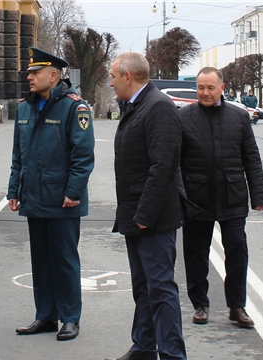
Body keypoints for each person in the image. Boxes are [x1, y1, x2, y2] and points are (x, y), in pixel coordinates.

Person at [7, 47, 95, 342]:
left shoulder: (74, 107)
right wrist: (13, 190)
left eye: (35, 72)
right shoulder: (23, 107)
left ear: (54, 76)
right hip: (34, 195)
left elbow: (83, 156)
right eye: (29, 73)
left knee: (64, 260)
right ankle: (45, 315)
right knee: (41, 260)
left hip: (62, 198)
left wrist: (73, 192)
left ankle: (70, 318)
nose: (29, 77)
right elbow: (18, 155)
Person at [103, 52, 186, 360]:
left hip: (152, 218)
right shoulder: (137, 105)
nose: (110, 82)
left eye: (112, 76)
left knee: (161, 289)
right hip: (136, 214)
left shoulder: (158, 106)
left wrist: (144, 217)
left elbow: (163, 166)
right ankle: (144, 347)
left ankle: (172, 354)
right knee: (143, 288)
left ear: (128, 76)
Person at [179, 67, 263, 329]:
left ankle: (237, 307)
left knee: (237, 250)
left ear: (222, 87)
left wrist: (257, 195)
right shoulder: (183, 117)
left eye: (210, 88)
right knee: (196, 253)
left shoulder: (239, 117)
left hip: (233, 196)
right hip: (196, 198)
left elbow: (251, 158)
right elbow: (174, 161)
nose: (205, 93)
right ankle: (200, 305)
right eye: (200, 88)